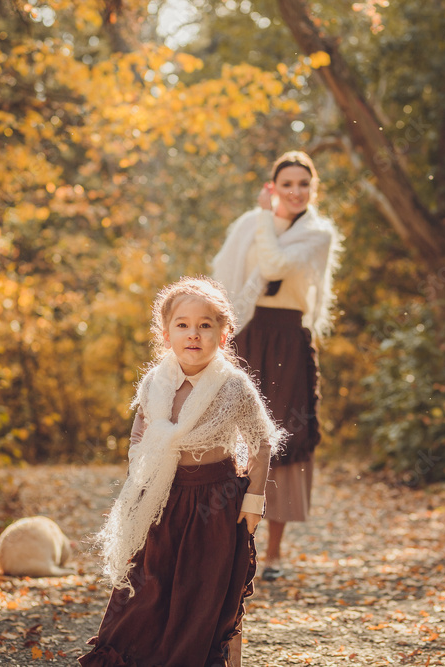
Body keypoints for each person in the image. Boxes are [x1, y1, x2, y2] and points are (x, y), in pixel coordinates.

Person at [79, 277, 284, 667]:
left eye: (205, 325)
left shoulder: (233, 387)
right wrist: (140, 484)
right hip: (163, 498)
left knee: (202, 587)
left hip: (215, 500)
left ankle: (192, 654)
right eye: (183, 325)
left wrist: (253, 501)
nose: (194, 334)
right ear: (166, 334)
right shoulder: (156, 384)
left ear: (223, 335)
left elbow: (260, 441)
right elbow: (139, 437)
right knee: (149, 584)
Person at [212, 150, 341, 581]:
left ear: (313, 189)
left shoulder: (318, 233)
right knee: (233, 432)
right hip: (247, 333)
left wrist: (267, 218)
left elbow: (276, 265)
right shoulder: (248, 224)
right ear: (273, 187)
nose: (295, 191)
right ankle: (229, 542)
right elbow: (224, 275)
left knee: (284, 434)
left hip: (288, 336)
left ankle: (273, 554)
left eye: (304, 184)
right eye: (287, 183)